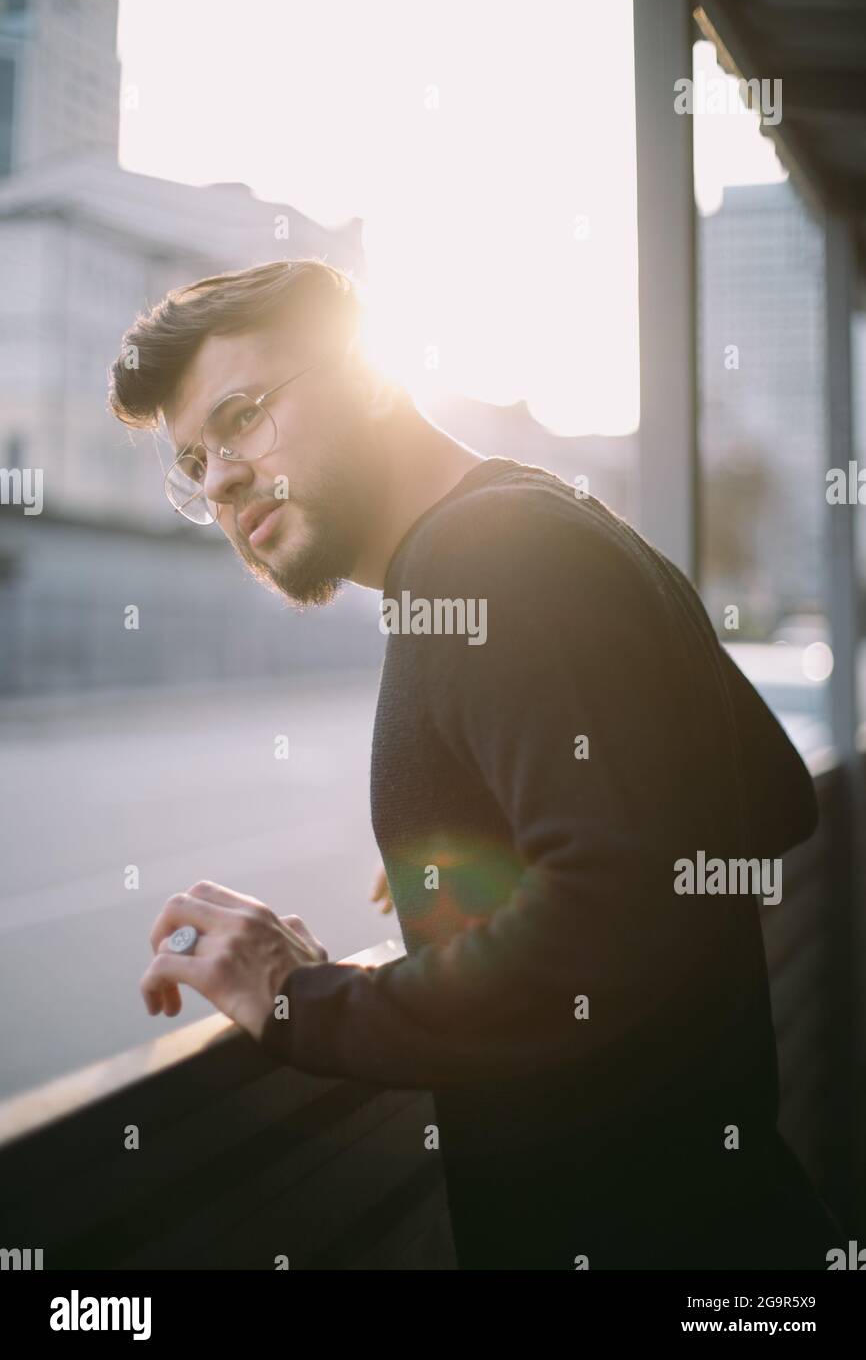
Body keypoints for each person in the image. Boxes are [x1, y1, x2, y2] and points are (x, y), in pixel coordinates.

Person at [109, 258, 844, 1270]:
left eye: (240, 417)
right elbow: (763, 798)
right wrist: (487, 849)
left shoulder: (487, 555)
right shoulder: (542, 524)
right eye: (195, 463)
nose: (221, 477)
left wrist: (299, 999)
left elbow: (613, 908)